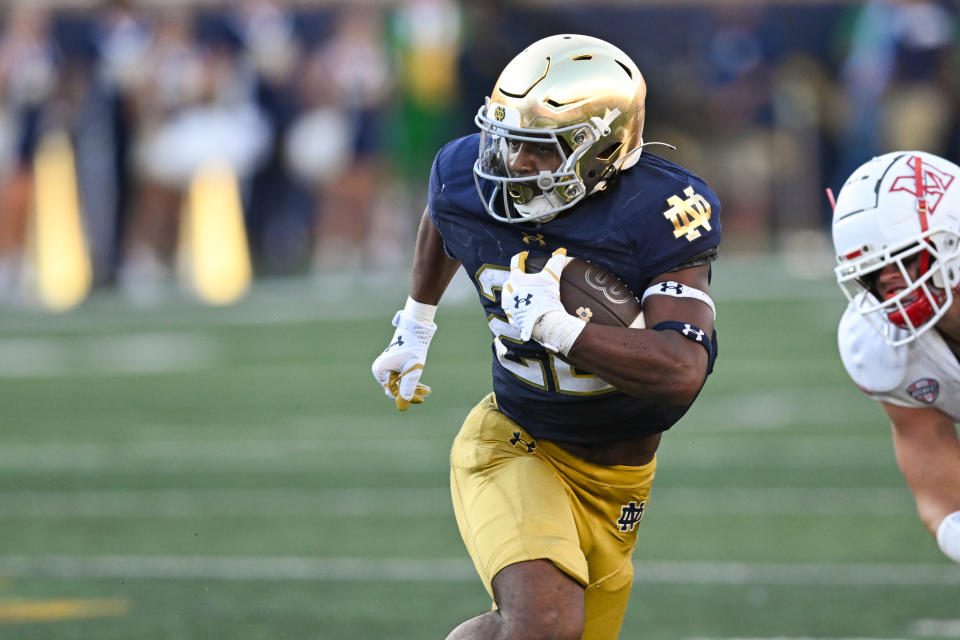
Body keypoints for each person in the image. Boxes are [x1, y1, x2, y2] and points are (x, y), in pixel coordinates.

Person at [371, 34, 721, 640]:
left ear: (603, 145)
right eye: (507, 140)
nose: (510, 163)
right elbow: (444, 209)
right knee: (543, 625)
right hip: (515, 442)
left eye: (536, 149)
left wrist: (561, 328)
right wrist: (415, 321)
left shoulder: (658, 211)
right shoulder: (468, 171)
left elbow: (680, 369)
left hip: (620, 483)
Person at [832, 150, 960, 566]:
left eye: (905, 260)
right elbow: (943, 500)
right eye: (871, 274)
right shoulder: (877, 344)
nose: (891, 287)